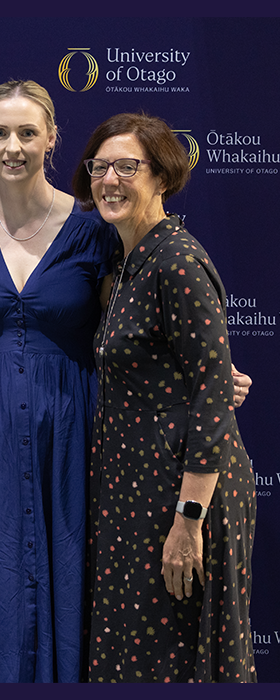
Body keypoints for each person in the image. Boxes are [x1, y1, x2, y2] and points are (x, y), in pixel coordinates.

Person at [0, 80, 119, 683]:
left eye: (27, 133)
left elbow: (122, 338)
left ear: (52, 140)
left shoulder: (95, 231)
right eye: (0, 133)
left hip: (71, 426)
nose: (13, 146)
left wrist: (207, 374)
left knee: (69, 565)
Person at [75, 112, 256, 682]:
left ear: (162, 177)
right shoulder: (129, 260)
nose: (110, 180)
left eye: (128, 167)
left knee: (176, 657)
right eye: (100, 167)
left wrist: (189, 521)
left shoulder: (177, 260)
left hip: (182, 495)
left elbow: (210, 396)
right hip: (136, 492)